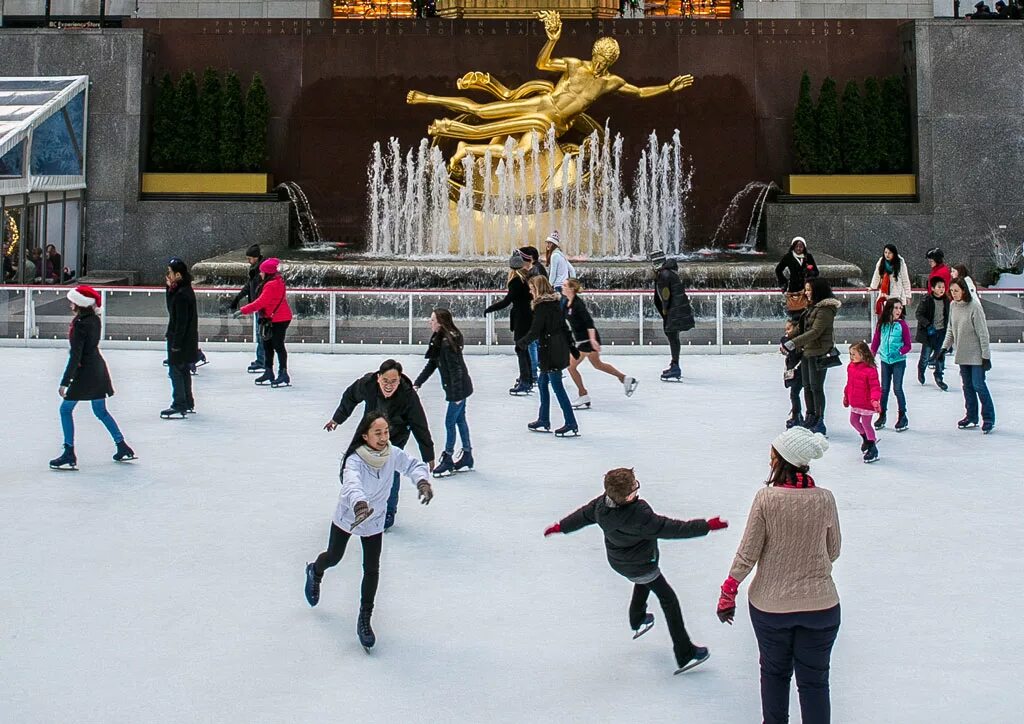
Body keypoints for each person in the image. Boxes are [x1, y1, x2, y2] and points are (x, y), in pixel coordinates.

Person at [545, 467, 727, 674]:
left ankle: (637, 618)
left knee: (644, 581)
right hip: (642, 563)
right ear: (629, 495)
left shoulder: (601, 505)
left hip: (620, 561)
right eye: (635, 486)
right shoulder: (639, 516)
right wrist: (706, 526)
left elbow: (582, 516)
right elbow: (672, 528)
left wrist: (560, 526)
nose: (637, 489)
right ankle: (685, 653)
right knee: (669, 599)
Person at [716, 426, 840, 724]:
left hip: (772, 608)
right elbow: (833, 550)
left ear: (782, 459)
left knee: (774, 674)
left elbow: (748, 552)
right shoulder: (825, 499)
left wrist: (729, 590)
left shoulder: (767, 499)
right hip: (821, 608)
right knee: (815, 683)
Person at [304, 411, 434, 651]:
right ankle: (315, 570)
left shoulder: (392, 454)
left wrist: (422, 481)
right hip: (350, 515)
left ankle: (365, 618)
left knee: (372, 568)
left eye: (385, 432)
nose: (384, 437)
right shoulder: (355, 460)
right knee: (334, 557)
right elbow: (351, 483)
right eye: (378, 433)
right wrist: (360, 504)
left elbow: (412, 465)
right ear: (365, 435)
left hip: (374, 521)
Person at [324, 360, 435, 530]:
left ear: (399, 380)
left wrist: (428, 455)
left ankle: (389, 511)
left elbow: (419, 424)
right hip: (369, 432)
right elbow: (350, 396)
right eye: (385, 381)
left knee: (391, 469)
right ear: (378, 378)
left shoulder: (408, 395)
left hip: (395, 435)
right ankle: (358, 503)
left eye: (394, 382)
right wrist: (337, 419)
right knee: (356, 463)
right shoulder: (368, 384)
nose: (389, 386)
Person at [48, 285, 135, 469]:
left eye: (72, 300)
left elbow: (76, 355)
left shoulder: (80, 324)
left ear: (79, 303)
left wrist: (65, 381)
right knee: (100, 411)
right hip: (98, 369)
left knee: (65, 410)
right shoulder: (94, 320)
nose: (69, 303)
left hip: (85, 372)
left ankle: (69, 452)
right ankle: (122, 445)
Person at [413, 308, 474, 477]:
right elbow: (432, 364)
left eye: (432, 320)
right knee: (460, 420)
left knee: (450, 422)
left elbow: (456, 370)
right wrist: (418, 382)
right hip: (460, 388)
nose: (429, 322)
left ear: (440, 323)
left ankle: (448, 457)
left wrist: (457, 395)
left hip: (459, 389)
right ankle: (467, 455)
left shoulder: (447, 343)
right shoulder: (439, 340)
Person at [516, 275, 580, 436]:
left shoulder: (542, 306)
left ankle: (571, 423)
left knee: (558, 388)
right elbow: (565, 327)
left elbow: (535, 330)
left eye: (532, 289)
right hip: (557, 348)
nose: (530, 292)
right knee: (543, 384)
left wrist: (521, 344)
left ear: (538, 289)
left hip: (550, 351)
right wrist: (572, 347)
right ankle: (543, 419)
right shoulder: (556, 303)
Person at [563, 278, 638, 408]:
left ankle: (583, 394)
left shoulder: (578, 304)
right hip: (582, 340)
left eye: (564, 285)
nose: (562, 287)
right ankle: (625, 378)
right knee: (598, 364)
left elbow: (589, 323)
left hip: (586, 340)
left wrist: (592, 340)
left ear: (571, 288)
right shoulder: (566, 302)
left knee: (571, 366)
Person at [783, 278, 841, 436]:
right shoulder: (811, 308)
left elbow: (815, 332)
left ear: (818, 290)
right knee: (807, 386)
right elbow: (801, 327)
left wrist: (793, 343)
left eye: (809, 290)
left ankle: (819, 419)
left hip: (819, 353)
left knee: (816, 387)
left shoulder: (825, 309)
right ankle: (810, 416)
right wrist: (788, 339)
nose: (806, 293)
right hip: (808, 352)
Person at [943, 278, 995, 433]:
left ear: (964, 290)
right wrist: (943, 349)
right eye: (951, 291)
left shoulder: (974, 307)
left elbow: (983, 334)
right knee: (967, 387)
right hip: (962, 354)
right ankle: (971, 416)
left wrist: (986, 356)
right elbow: (951, 330)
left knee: (978, 385)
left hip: (977, 355)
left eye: (956, 291)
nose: (954, 294)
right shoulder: (953, 306)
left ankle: (988, 418)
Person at [485, 252, 534, 395]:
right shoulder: (528, 278)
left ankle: (525, 381)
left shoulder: (515, 281)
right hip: (529, 317)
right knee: (524, 348)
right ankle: (528, 378)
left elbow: (507, 301)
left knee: (520, 349)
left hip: (521, 319)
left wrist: (490, 308)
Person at [240, 257, 292, 388]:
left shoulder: (272, 284)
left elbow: (261, 302)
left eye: (262, 272)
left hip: (280, 319)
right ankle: (269, 371)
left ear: (268, 273)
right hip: (270, 318)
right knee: (267, 344)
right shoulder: (274, 281)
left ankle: (283, 373)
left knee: (278, 345)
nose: (260, 274)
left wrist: (243, 310)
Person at [162, 257, 199, 419]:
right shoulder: (182, 291)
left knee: (176, 370)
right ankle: (187, 401)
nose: (167, 275)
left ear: (178, 275)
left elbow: (180, 321)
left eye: (169, 272)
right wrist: (168, 289)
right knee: (182, 370)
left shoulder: (182, 294)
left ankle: (180, 403)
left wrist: (176, 344)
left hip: (181, 340)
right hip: (186, 339)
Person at [870, 297, 913, 432]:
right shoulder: (882, 324)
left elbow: (908, 345)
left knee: (897, 388)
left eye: (900, 308)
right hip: (885, 361)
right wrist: (871, 356)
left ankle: (902, 415)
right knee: (884, 389)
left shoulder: (902, 325)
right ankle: (882, 415)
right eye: (896, 308)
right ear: (889, 308)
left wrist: (899, 352)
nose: (898, 310)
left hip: (898, 361)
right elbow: (876, 341)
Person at [653, 257, 695, 381]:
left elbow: (665, 294)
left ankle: (675, 367)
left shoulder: (664, 275)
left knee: (672, 335)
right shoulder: (670, 273)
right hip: (678, 309)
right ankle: (674, 364)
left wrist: (665, 310)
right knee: (673, 336)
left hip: (673, 311)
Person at [843, 341, 882, 463]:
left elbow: (875, 387)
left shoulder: (870, 369)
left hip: (866, 402)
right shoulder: (851, 367)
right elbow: (849, 384)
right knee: (853, 421)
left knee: (866, 424)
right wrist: (846, 396)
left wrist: (875, 400)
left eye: (854, 354)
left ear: (863, 354)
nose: (851, 357)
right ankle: (865, 437)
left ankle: (872, 446)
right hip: (855, 401)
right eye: (850, 354)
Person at [230, 244, 266, 374]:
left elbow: (260, 291)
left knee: (261, 334)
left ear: (256, 257)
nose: (248, 261)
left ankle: (262, 361)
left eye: (250, 258)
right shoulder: (254, 268)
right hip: (257, 306)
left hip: (261, 307)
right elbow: (249, 286)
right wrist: (238, 298)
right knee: (260, 334)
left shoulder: (261, 271)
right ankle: (261, 359)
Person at [915, 276, 950, 390]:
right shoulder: (927, 300)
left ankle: (939, 376)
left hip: (942, 332)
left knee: (940, 355)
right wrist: (928, 325)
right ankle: (921, 369)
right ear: (933, 288)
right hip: (929, 333)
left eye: (943, 287)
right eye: (939, 287)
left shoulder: (947, 300)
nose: (942, 289)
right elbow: (919, 314)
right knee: (925, 355)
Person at [519, 244, 546, 382]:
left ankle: (534, 374)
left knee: (532, 343)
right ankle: (537, 371)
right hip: (537, 308)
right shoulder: (537, 268)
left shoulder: (536, 271)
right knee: (535, 342)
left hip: (536, 309)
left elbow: (536, 291)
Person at [775, 236, 819, 315]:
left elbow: (816, 271)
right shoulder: (788, 257)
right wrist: (784, 282)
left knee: (807, 310)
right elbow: (778, 270)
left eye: (801, 247)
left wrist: (810, 272)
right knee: (794, 309)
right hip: (793, 287)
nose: (798, 248)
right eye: (797, 246)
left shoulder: (808, 257)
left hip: (806, 287)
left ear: (804, 247)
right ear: (793, 247)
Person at [869, 243, 913, 316]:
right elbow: (877, 275)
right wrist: (872, 287)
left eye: (889, 253)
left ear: (894, 253)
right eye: (885, 252)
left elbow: (905, 280)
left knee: (897, 317)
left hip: (897, 294)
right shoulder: (881, 261)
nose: (887, 255)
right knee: (886, 317)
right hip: (885, 294)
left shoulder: (900, 262)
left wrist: (908, 295)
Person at [781, 318, 805, 429]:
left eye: (789, 329)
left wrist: (785, 340)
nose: (786, 332)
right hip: (795, 371)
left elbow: (793, 352)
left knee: (794, 394)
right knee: (794, 394)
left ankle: (797, 415)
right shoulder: (794, 342)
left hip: (798, 371)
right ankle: (797, 414)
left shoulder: (795, 342)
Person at [545, 231, 574, 299]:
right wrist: (572, 284)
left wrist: (549, 287)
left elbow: (553, 273)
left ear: (554, 244)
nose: (547, 245)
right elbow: (572, 270)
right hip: (564, 286)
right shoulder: (561, 255)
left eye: (550, 243)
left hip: (558, 287)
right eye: (547, 243)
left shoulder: (554, 255)